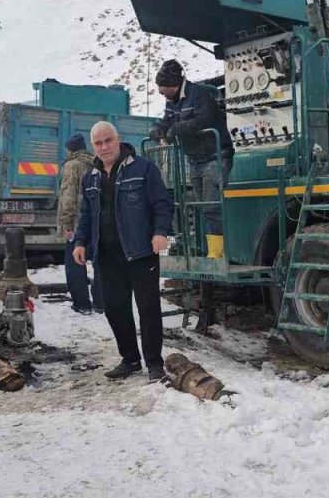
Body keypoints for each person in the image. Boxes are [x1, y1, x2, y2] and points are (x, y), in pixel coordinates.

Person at [73, 122, 173, 382]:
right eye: (98, 143)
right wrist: (80, 242)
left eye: (108, 141)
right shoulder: (90, 177)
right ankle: (130, 359)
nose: (104, 147)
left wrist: (161, 232)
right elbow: (85, 214)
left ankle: (154, 363)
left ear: (118, 140)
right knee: (115, 309)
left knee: (148, 309)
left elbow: (162, 203)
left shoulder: (144, 169)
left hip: (140, 252)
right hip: (106, 255)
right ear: (93, 146)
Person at [150, 59, 232, 259]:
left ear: (173, 84)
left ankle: (216, 255)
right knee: (200, 206)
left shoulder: (200, 94)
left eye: (163, 88)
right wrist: (159, 129)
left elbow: (204, 119)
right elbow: (168, 120)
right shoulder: (172, 101)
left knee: (211, 206)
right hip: (194, 160)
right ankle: (203, 250)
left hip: (216, 156)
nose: (160, 92)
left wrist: (177, 129)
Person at [58, 133, 101, 315]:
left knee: (74, 262)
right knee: (99, 262)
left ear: (70, 149)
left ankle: (82, 303)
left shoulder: (72, 166)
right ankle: (100, 302)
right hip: (96, 221)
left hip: (77, 223)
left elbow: (69, 197)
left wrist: (67, 224)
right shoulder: (95, 164)